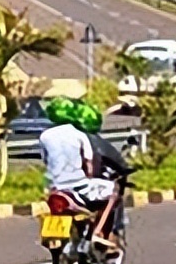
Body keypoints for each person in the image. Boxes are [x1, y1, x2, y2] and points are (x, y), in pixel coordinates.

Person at [38, 97, 118, 247]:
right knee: (113, 191)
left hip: (54, 187)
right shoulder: (79, 134)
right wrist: (89, 175)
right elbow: (88, 162)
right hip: (78, 186)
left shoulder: (44, 136)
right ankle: (98, 231)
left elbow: (45, 159)